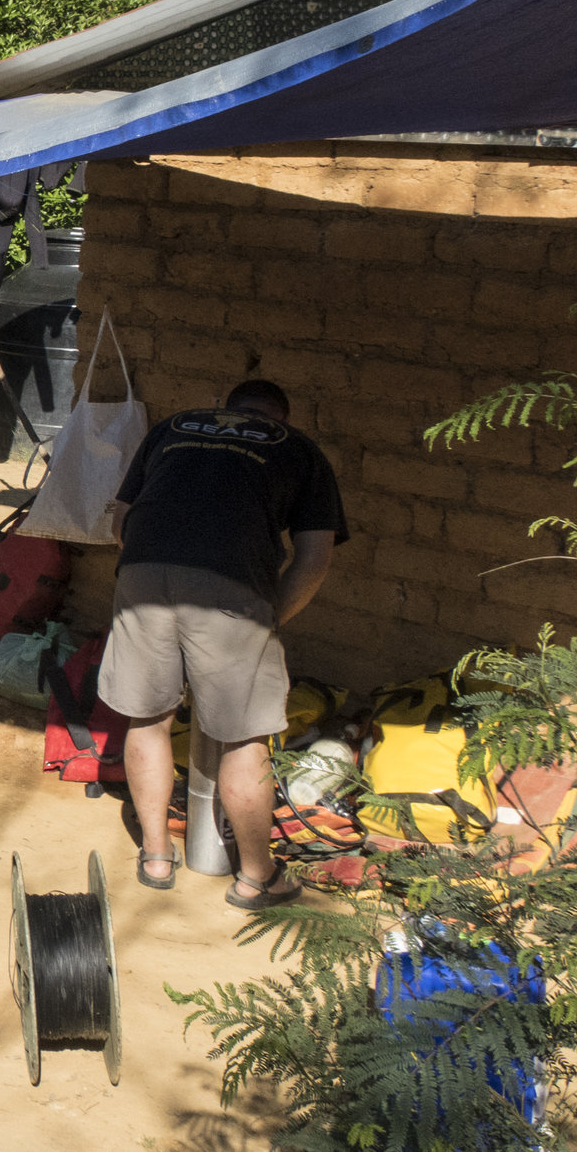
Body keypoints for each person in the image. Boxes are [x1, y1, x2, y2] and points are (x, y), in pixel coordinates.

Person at [103, 379, 347, 911]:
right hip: (231, 584)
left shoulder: (174, 428)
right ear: (282, 417)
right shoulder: (299, 447)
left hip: (142, 575)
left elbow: (122, 517)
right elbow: (314, 559)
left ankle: (155, 856)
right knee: (244, 739)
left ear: (224, 408)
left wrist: (156, 564)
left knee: (148, 719)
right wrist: (270, 620)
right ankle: (258, 877)